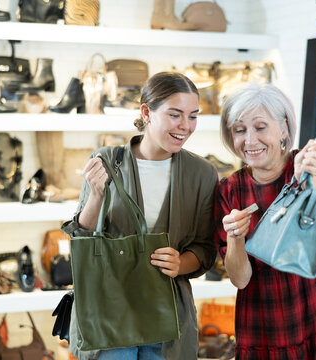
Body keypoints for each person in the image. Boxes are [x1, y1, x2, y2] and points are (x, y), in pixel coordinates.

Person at [62, 72, 218, 360]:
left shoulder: (202, 174)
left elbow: (205, 247)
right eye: (175, 115)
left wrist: (180, 263)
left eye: (193, 116)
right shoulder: (106, 160)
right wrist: (96, 196)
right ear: (147, 112)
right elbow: (82, 237)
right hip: (110, 315)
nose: (186, 126)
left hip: (168, 316)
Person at [214, 83, 316, 359]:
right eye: (239, 130)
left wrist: (309, 180)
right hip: (267, 321)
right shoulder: (230, 190)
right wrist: (235, 237)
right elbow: (240, 279)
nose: (249, 140)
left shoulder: (307, 164)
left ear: (283, 128)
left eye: (260, 127)